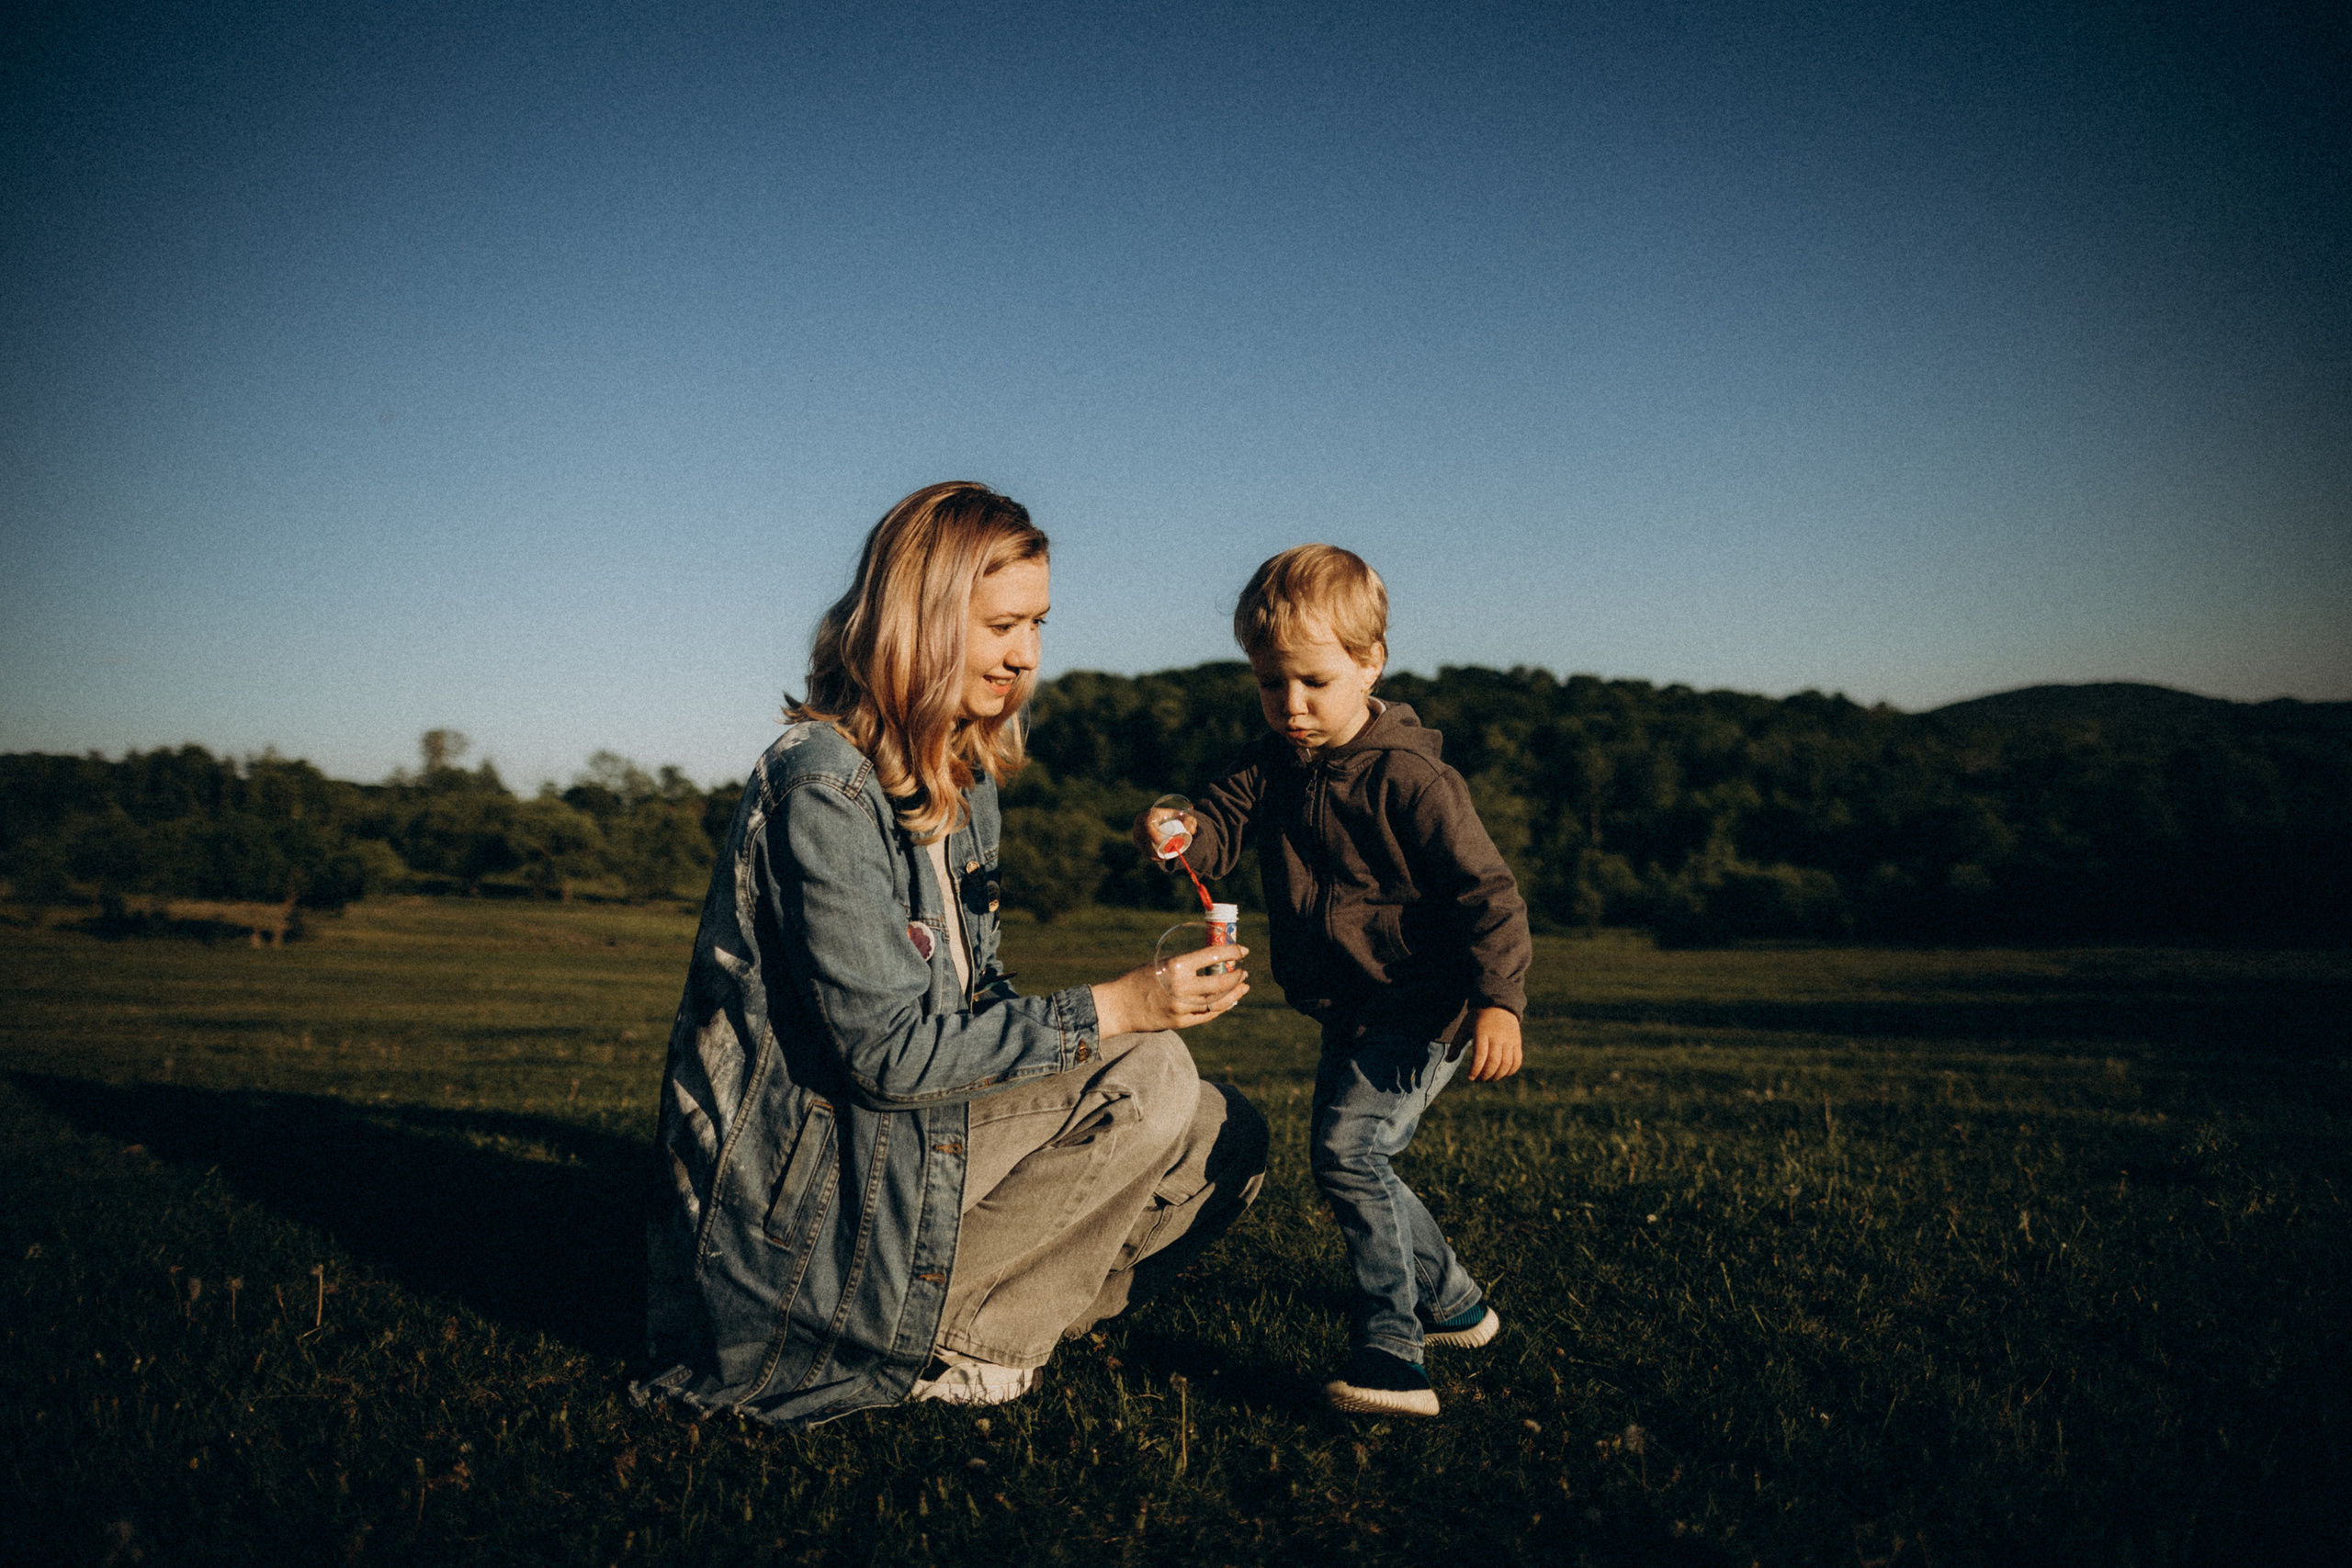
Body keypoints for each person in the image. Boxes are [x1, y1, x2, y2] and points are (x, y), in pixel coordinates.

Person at [638, 481, 1267, 1427]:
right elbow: (886, 1056)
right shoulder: (822, 786)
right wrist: (1117, 1011)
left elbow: (973, 1007)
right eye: (1001, 624)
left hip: (901, 1151)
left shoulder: (962, 782)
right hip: (808, 1214)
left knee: (1228, 1135)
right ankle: (972, 1349)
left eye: (1037, 624)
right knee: (1150, 1073)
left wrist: (1097, 1023)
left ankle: (969, 1324)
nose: (1025, 656)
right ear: (920, 620)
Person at [1138, 544, 1531, 1417]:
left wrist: (1498, 1001)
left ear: (1370, 663)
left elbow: (1489, 894)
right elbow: (1218, 831)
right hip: (1348, 1003)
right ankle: (1458, 1300)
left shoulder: (1413, 778)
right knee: (1353, 1160)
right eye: (1272, 685)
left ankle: (1394, 1349)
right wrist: (1176, 825)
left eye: (1313, 682)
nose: (1292, 706)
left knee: (1349, 1154)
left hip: (1426, 1003)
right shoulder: (1270, 762)